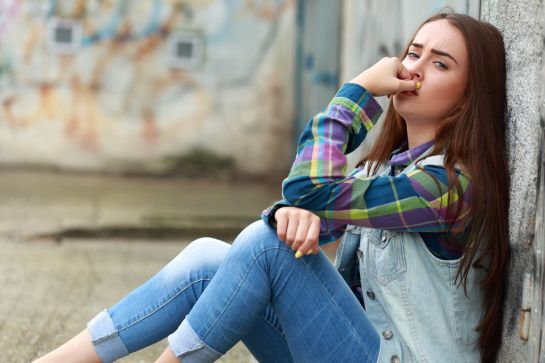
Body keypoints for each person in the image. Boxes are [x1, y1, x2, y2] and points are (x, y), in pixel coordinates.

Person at [35, 11, 509, 363]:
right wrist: (290, 212)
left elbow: (308, 196)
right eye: (412, 53)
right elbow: (303, 203)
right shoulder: (383, 173)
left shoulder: (448, 186)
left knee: (265, 245)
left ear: (470, 98)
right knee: (209, 258)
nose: (414, 69)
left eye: (440, 63)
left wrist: (355, 92)